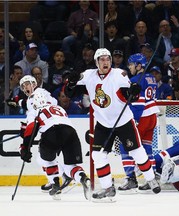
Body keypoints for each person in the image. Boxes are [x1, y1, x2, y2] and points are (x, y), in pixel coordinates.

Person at [64, 48, 161, 202]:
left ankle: (151, 178)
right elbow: (70, 91)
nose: (106, 62)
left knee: (136, 151)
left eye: (108, 59)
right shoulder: (89, 75)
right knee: (97, 155)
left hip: (123, 121)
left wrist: (133, 92)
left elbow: (129, 95)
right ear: (96, 62)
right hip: (103, 123)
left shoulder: (119, 74)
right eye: (102, 59)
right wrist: (71, 81)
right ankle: (108, 187)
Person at [19, 90, 91, 200]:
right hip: (71, 132)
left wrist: (25, 147)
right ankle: (83, 178)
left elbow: (30, 129)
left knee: (47, 160)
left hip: (51, 132)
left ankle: (55, 185)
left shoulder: (35, 111)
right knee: (70, 165)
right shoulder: (59, 108)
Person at [18, 75, 74, 193]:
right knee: (45, 157)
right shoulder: (37, 95)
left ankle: (61, 176)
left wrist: (26, 130)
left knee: (43, 158)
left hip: (51, 127)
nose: (25, 87)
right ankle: (56, 177)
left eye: (27, 84)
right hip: (53, 125)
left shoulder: (38, 94)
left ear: (34, 84)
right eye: (23, 86)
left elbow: (36, 114)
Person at [118, 53, 159, 192]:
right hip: (152, 115)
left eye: (131, 64)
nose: (129, 67)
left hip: (142, 116)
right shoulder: (151, 77)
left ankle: (131, 179)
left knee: (126, 145)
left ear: (139, 65)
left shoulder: (136, 79)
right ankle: (151, 179)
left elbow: (139, 102)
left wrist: (134, 119)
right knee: (147, 148)